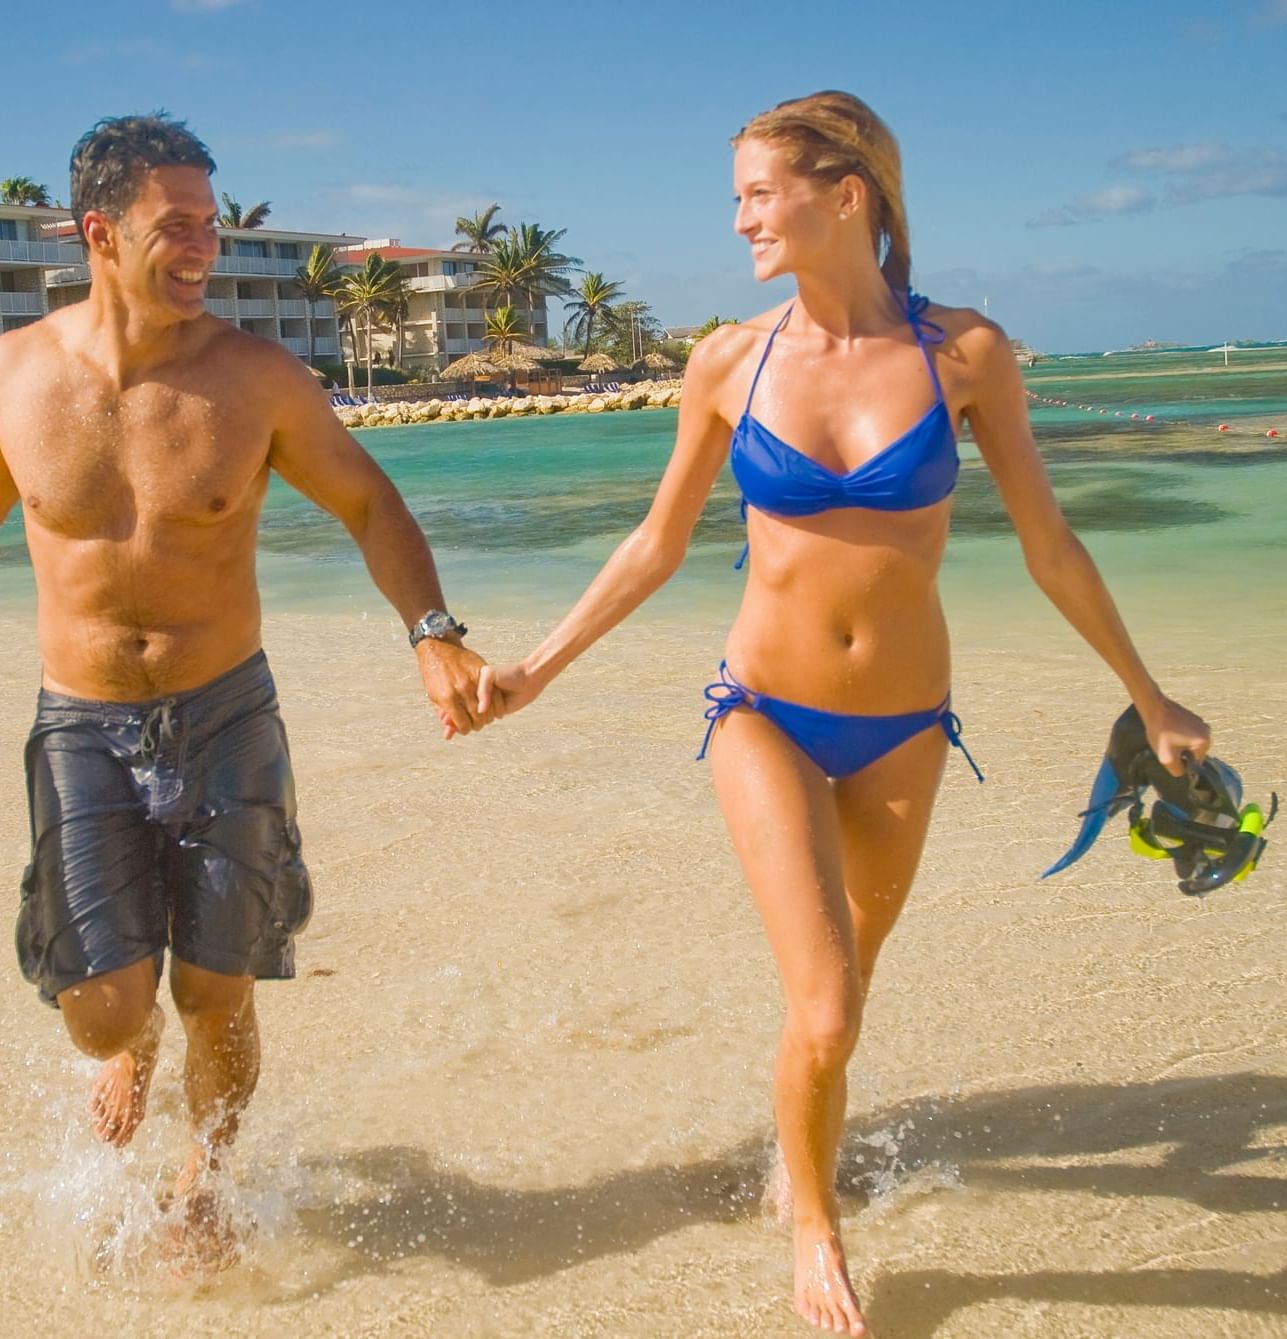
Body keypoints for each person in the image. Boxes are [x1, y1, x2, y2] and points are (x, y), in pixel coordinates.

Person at [474, 90, 1209, 1336]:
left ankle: (795, 1147)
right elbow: (655, 547)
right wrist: (536, 669)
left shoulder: (966, 354)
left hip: (909, 724)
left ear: (846, 195)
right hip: (765, 709)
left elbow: (1051, 545)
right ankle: (815, 1225)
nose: (743, 219)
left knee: (848, 990)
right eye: (741, 198)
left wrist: (1149, 692)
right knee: (821, 1003)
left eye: (762, 194)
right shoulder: (729, 360)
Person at [0, 113, 492, 1262]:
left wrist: (433, 632)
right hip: (83, 725)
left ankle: (204, 1180)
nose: (207, 245)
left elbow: (369, 500)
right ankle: (126, 1044)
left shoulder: (255, 380)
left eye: (213, 222)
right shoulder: (18, 372)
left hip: (226, 710)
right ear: (100, 233)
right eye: (179, 226)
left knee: (218, 989)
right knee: (106, 1005)